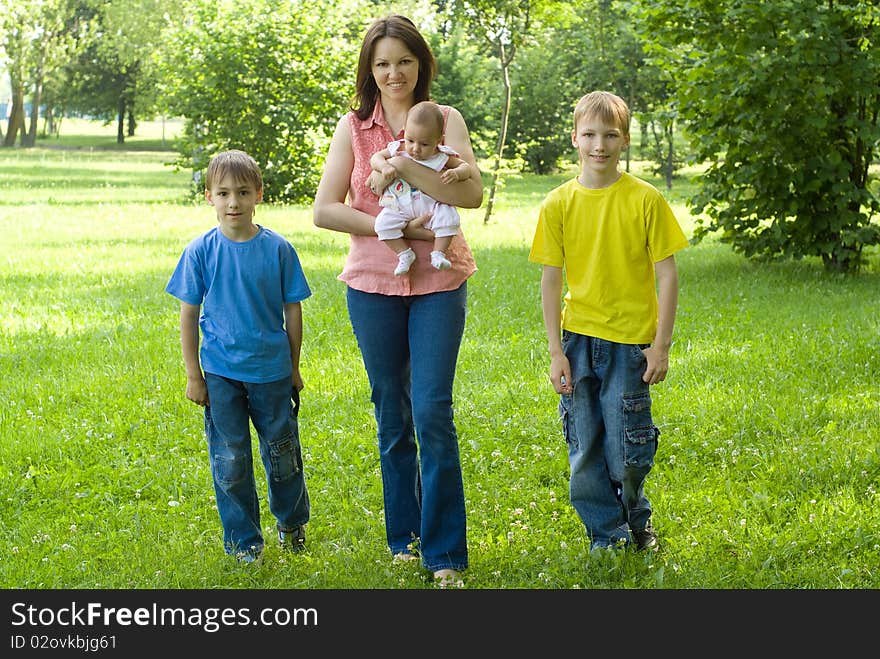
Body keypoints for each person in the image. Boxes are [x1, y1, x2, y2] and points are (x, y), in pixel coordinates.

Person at [312, 14, 483, 587]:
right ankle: (404, 540)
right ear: (370, 69)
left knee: (432, 410)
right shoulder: (353, 128)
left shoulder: (445, 119)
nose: (393, 73)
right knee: (393, 416)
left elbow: (472, 191)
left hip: (439, 283)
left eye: (404, 61)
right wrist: (398, 229)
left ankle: (445, 555)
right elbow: (324, 209)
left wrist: (406, 165)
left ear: (421, 64)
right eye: (382, 63)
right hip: (371, 285)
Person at [528, 91, 688, 552]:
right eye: (591, 134)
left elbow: (667, 273)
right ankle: (607, 534)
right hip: (578, 341)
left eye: (611, 135)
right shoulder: (558, 204)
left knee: (628, 451)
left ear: (624, 139)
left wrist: (661, 344)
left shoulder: (645, 199)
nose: (600, 144)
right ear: (575, 137)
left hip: (631, 345)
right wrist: (556, 351)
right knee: (584, 447)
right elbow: (551, 281)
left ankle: (635, 513)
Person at [166, 149, 312, 563]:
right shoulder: (200, 251)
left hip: (271, 371)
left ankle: (291, 523)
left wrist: (294, 367)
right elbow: (188, 314)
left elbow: (293, 310)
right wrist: (195, 375)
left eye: (243, 192)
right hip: (220, 374)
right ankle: (245, 544)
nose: (233, 203)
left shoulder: (279, 249)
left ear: (258, 195)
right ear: (209, 196)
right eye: (224, 193)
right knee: (229, 461)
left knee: (282, 453)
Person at [371, 100, 473, 275]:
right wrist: (384, 167)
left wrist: (457, 173)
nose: (415, 149)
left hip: (431, 206)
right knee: (383, 224)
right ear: (405, 132)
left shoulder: (441, 155)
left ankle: (439, 253)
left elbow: (465, 167)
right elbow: (376, 157)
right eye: (411, 140)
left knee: (449, 217)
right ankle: (404, 254)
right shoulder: (399, 149)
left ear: (437, 141)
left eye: (424, 144)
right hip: (400, 205)